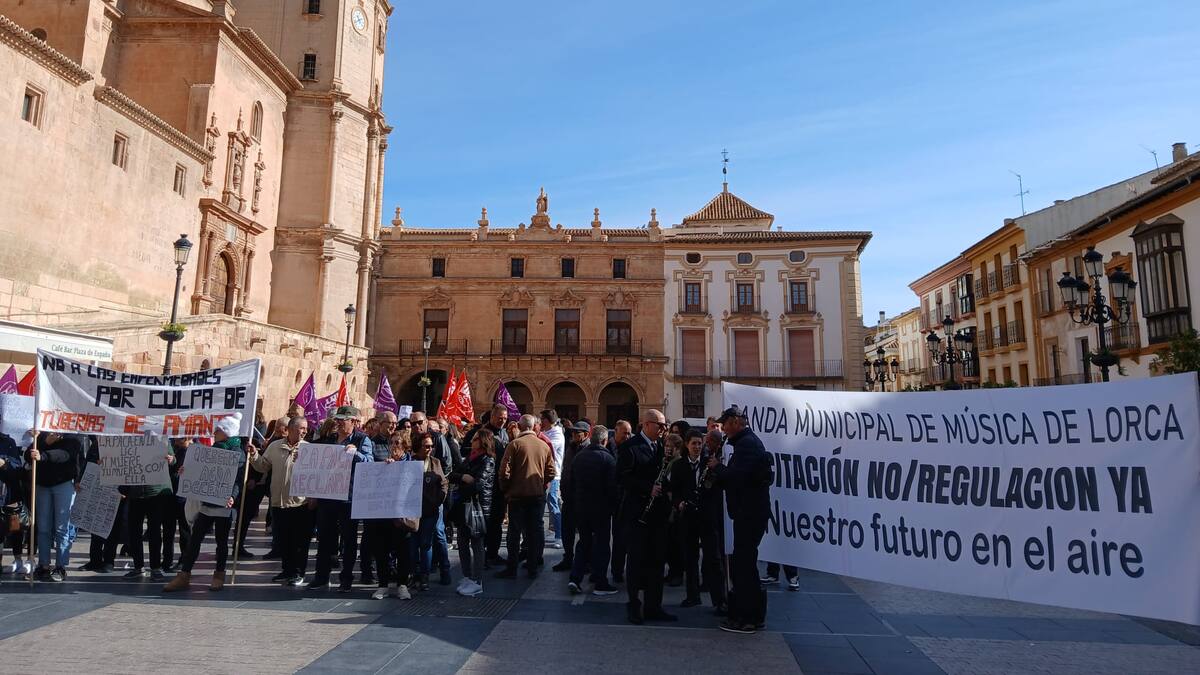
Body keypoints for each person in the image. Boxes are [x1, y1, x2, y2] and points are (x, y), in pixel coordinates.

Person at [163, 415, 249, 592]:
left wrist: (232, 496)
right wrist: (186, 471)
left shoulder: (238, 454)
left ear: (226, 432)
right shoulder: (211, 450)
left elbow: (238, 480)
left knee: (222, 542)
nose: (214, 433)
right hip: (208, 502)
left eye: (218, 430)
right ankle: (184, 575)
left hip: (224, 504)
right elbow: (201, 472)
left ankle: (219, 575)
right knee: (195, 539)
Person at [707, 406, 773, 634]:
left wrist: (718, 468)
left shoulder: (747, 445)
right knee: (744, 564)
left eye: (725, 423)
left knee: (743, 566)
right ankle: (750, 615)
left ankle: (748, 618)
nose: (723, 428)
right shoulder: (745, 443)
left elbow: (739, 478)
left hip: (750, 513)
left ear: (736, 422)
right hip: (748, 512)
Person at [617, 409, 674, 624]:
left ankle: (654, 606)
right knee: (636, 561)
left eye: (664, 426)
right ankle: (634, 605)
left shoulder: (661, 447)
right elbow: (621, 478)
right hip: (637, 513)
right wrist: (646, 488)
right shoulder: (631, 447)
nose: (663, 429)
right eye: (660, 426)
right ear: (647, 425)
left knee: (657, 561)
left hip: (657, 515)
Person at [309, 406, 374, 592]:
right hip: (327, 495)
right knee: (325, 538)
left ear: (353, 421)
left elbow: (369, 463)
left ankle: (346, 578)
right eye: (337, 419)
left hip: (349, 498)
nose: (338, 422)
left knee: (349, 539)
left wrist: (356, 454)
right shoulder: (329, 439)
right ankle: (321, 576)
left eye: (342, 420)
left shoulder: (362, 440)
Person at [248, 416, 314, 586]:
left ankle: (299, 572)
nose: (305, 431)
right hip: (279, 502)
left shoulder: (309, 449)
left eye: (305, 428)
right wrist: (254, 454)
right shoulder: (275, 446)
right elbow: (263, 466)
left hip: (300, 503)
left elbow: (316, 475)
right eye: (301, 428)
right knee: (283, 540)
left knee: (299, 542)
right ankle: (287, 570)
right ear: (291, 429)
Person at [495, 414, 555, 580]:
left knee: (514, 533)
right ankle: (533, 567)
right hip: (536, 495)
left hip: (517, 496)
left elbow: (504, 472)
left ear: (520, 427)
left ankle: (512, 568)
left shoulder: (514, 444)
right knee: (534, 532)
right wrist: (541, 485)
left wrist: (506, 490)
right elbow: (551, 472)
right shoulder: (543, 446)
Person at [567, 424, 620, 596]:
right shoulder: (608, 459)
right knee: (602, 545)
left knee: (583, 543)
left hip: (581, 507)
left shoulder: (579, 457)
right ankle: (600, 581)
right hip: (601, 509)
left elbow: (571, 482)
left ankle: (575, 578)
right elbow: (612, 488)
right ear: (604, 440)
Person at [28, 431, 83, 582]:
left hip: (63, 483)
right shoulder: (43, 434)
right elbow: (29, 454)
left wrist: (45, 454)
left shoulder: (72, 434)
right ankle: (43, 565)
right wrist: (43, 442)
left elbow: (66, 454)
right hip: (43, 484)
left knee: (62, 527)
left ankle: (61, 566)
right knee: (43, 528)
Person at [367, 431, 416, 600]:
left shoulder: (411, 464)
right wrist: (385, 468)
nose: (394, 446)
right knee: (381, 551)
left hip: (403, 517)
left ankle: (402, 585)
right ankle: (383, 585)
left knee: (403, 552)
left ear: (405, 446)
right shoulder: (384, 464)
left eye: (398, 443)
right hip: (384, 516)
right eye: (392, 443)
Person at [449, 427, 495, 596]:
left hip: (478, 508)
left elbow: (479, 485)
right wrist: (463, 478)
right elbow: (453, 475)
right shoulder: (470, 458)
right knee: (461, 542)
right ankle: (467, 576)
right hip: (464, 506)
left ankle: (477, 580)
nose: (471, 441)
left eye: (475, 439)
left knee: (477, 544)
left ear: (482, 441)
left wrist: (464, 486)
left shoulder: (487, 460)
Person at [122, 440, 177, 581]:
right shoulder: (130, 438)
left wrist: (171, 459)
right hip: (136, 491)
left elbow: (172, 458)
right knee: (134, 531)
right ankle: (138, 566)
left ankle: (155, 567)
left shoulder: (161, 439)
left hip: (156, 493)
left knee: (154, 531)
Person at [669, 429, 709, 607]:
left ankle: (717, 597)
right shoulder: (679, 465)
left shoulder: (708, 463)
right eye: (694, 443)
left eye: (700, 443)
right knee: (690, 557)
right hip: (687, 517)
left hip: (706, 517)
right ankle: (692, 595)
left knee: (712, 557)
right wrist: (679, 503)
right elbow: (674, 490)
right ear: (687, 445)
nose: (697, 447)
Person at [466, 405, 509, 564]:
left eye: (505, 418)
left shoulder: (504, 433)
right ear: (492, 416)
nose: (502, 421)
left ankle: (493, 553)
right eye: (500, 418)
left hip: (499, 486)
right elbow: (469, 453)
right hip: (484, 485)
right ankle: (481, 555)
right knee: (483, 521)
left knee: (496, 522)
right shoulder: (481, 433)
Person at [412, 430, 450, 589]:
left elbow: (443, 483)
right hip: (412, 511)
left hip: (430, 510)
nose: (429, 449)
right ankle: (413, 573)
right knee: (412, 544)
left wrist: (437, 500)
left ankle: (425, 575)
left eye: (431, 446)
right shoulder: (410, 461)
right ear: (418, 447)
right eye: (426, 446)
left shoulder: (435, 462)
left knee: (426, 543)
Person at [551, 420, 589, 573]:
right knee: (567, 531)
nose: (573, 434)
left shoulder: (587, 450)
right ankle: (568, 558)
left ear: (585, 435)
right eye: (572, 432)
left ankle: (585, 562)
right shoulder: (571, 448)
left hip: (581, 499)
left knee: (584, 533)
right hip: (568, 497)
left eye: (577, 432)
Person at [700, 430, 729, 614]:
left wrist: (716, 467)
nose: (705, 444)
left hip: (720, 513)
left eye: (707, 441)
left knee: (719, 557)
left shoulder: (721, 458)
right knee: (712, 557)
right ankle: (717, 597)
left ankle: (723, 598)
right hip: (710, 514)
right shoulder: (708, 457)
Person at [162, 436, 192, 573]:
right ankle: (167, 559)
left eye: (179, 438)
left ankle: (184, 560)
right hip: (170, 494)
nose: (175, 440)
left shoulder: (195, 452)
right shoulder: (176, 449)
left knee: (184, 530)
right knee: (168, 530)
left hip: (184, 497)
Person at [609, 419, 632, 581]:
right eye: (624, 433)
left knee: (621, 537)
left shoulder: (630, 448)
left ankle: (618, 571)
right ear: (616, 431)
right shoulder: (606, 447)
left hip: (624, 498)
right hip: (608, 497)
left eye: (629, 433)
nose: (627, 436)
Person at [539, 410, 565, 551]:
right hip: (541, 475)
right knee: (543, 505)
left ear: (548, 420)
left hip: (553, 476)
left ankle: (559, 537)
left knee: (553, 504)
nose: (540, 422)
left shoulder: (557, 434)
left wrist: (537, 434)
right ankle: (552, 531)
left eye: (542, 419)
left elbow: (547, 448)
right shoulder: (547, 432)